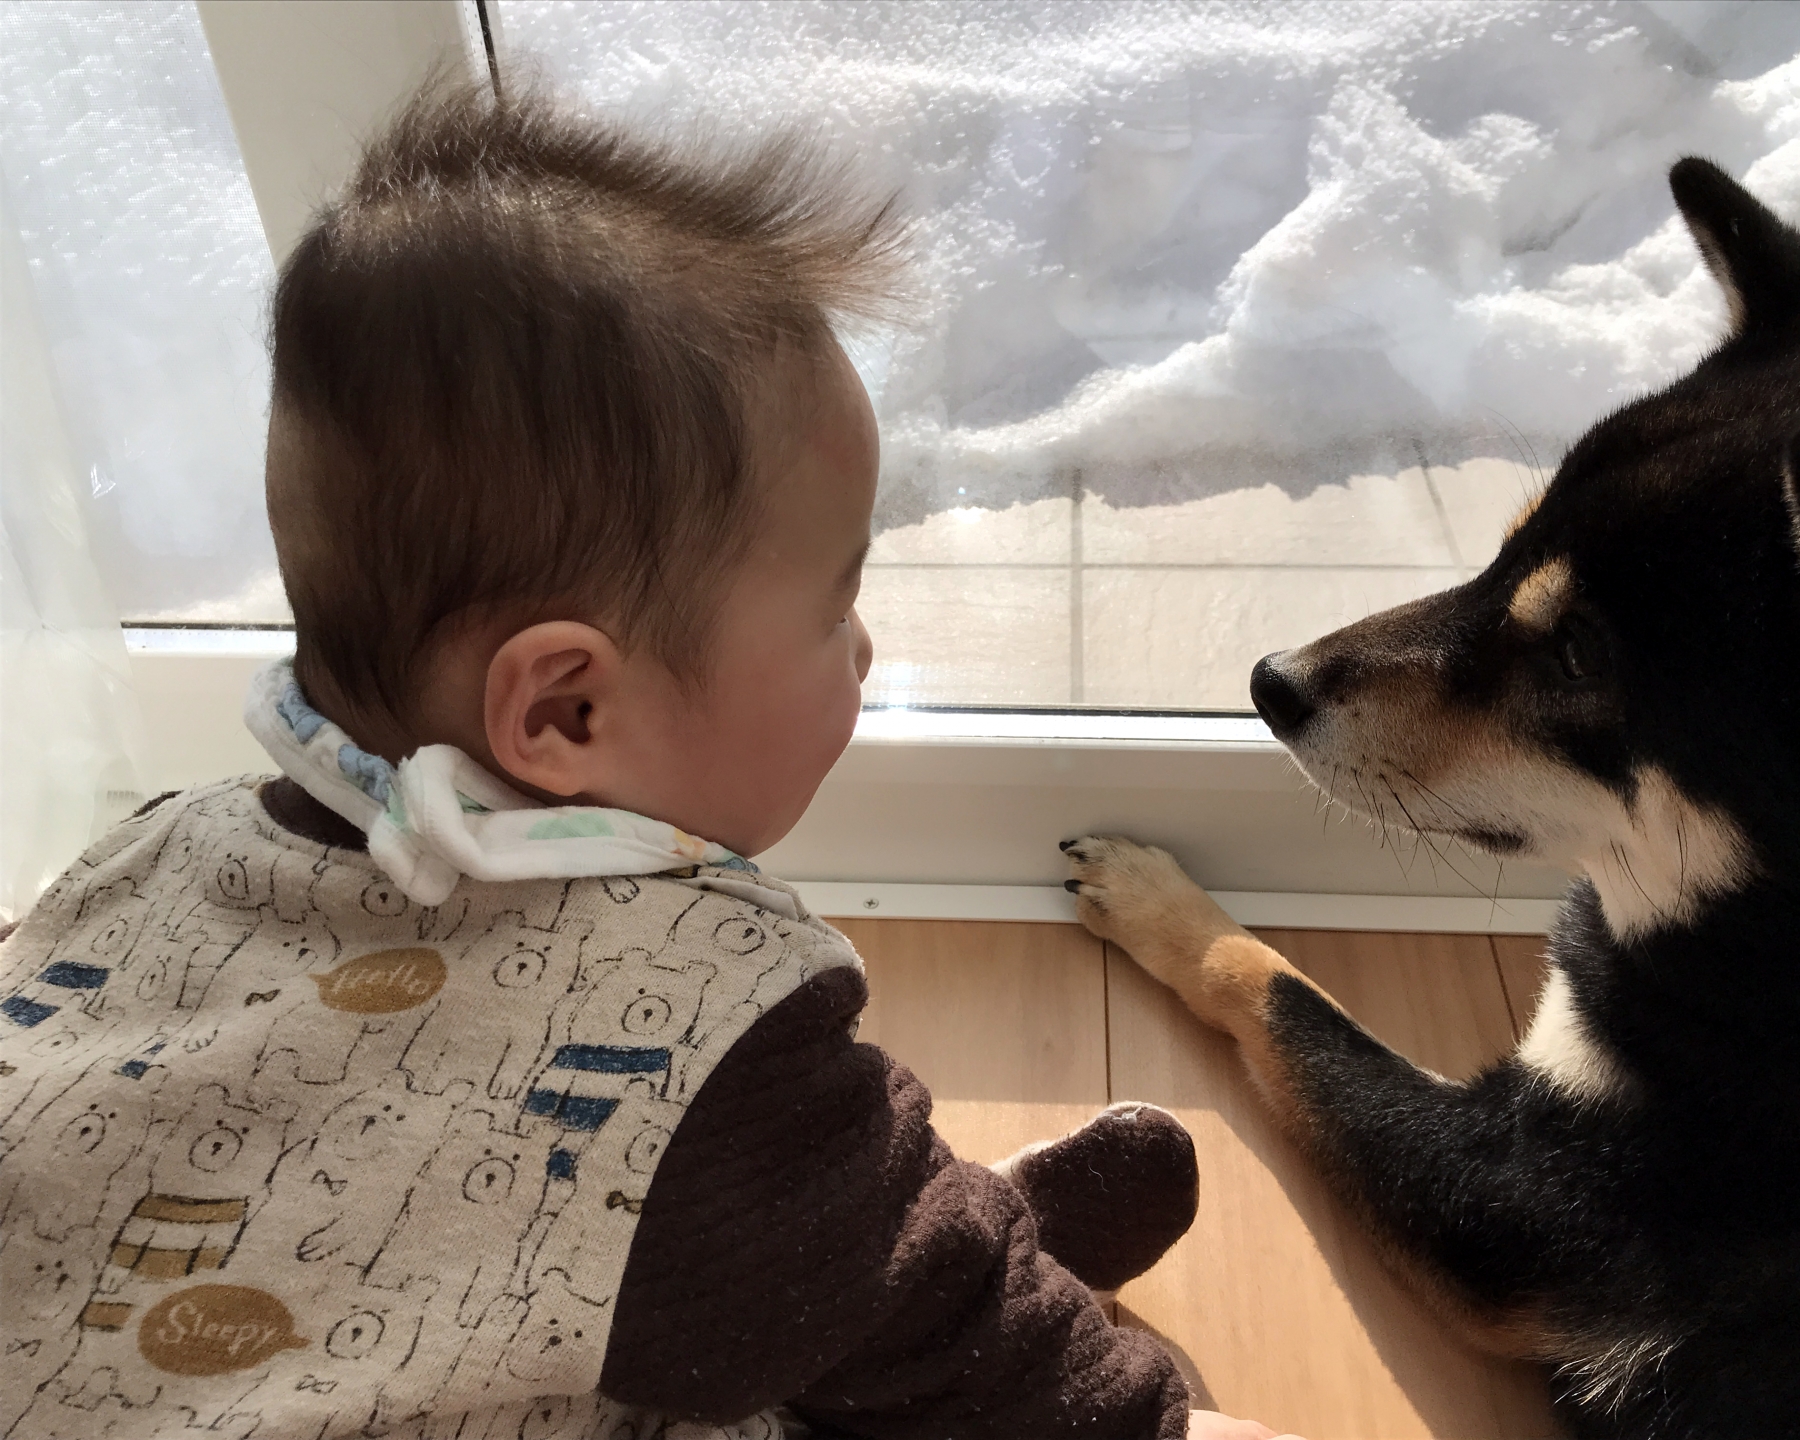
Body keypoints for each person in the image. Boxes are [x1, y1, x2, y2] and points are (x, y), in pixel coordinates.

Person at [0, 80, 1281, 1440]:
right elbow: (1060, 1417)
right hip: (692, 1268)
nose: (863, 647)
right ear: (563, 717)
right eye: (832, 602)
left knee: (709, 1247)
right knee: (878, 1331)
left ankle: (903, 1248)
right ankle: (918, 1270)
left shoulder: (145, 853)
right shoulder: (711, 1071)